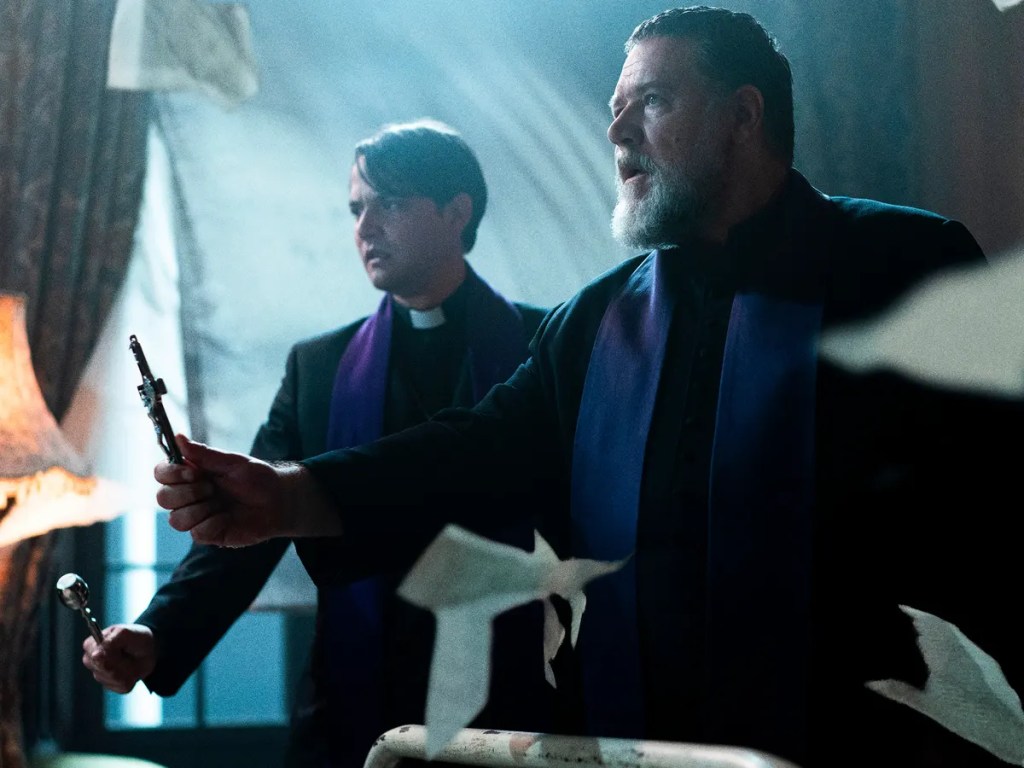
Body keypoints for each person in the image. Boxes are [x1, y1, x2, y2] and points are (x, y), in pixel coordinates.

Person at [150, 8, 1024, 768]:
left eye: (652, 101)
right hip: (635, 743)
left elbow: (998, 512)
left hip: (866, 740)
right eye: (615, 108)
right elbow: (472, 453)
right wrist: (291, 494)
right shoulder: (597, 322)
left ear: (742, 116)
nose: (616, 133)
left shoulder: (903, 265)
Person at [82, 119, 552, 767]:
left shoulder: (544, 350)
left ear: (456, 211)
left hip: (516, 689)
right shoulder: (321, 369)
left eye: (390, 203)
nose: (365, 227)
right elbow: (252, 521)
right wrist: (157, 632)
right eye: (357, 209)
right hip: (357, 700)